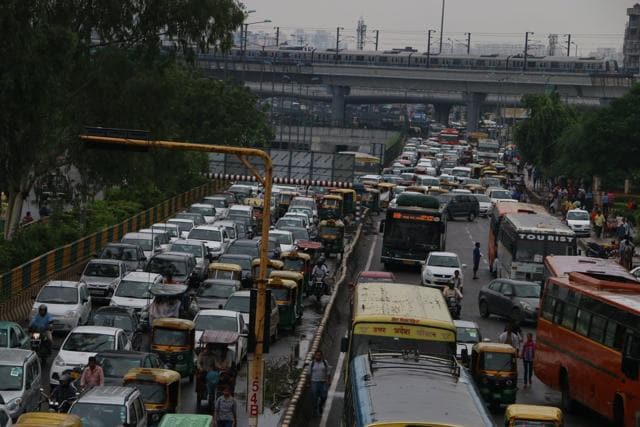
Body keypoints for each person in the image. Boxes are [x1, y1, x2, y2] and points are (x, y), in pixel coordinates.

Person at [309, 350, 331, 417]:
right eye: (317, 355)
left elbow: (328, 372)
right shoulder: (312, 363)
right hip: (314, 382)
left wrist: (329, 380)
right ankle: (315, 410)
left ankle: (320, 405)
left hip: (323, 382)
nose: (318, 356)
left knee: (324, 397)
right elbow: (309, 374)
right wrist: (308, 383)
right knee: (314, 398)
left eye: (319, 355)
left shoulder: (325, 362)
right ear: (315, 356)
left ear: (321, 356)